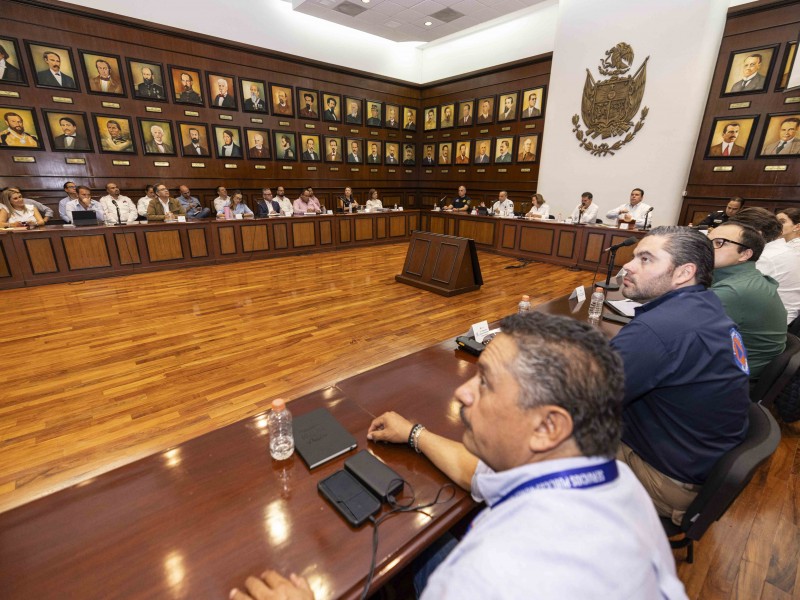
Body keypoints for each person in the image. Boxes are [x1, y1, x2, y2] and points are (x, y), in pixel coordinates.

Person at [231, 313, 688, 600]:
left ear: (549, 426)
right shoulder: (610, 478)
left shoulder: (494, 576)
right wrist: (414, 433)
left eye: (485, 382)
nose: (462, 391)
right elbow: (478, 473)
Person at [611, 225, 751, 525]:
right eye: (634, 256)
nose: (628, 265)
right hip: (698, 459)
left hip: (669, 482)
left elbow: (579, 399)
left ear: (683, 273)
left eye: (645, 259)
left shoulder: (661, 329)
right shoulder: (705, 305)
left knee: (550, 434)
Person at [708, 222, 787, 379]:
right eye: (706, 241)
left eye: (719, 243)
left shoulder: (734, 291)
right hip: (741, 360)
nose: (706, 248)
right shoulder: (742, 276)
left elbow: (677, 330)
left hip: (736, 376)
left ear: (745, 254)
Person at [733, 207, 800, 325]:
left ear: (755, 233)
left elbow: (736, 290)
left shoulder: (767, 257)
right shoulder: (779, 248)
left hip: (771, 322)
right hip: (774, 314)